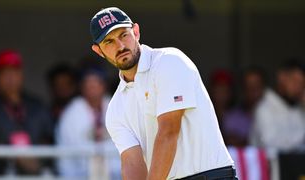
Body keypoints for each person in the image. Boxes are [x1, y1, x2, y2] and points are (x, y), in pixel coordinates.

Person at [89, 7, 236, 180]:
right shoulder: (115, 109)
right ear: (99, 51)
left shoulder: (169, 61)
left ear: (136, 32)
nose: (120, 46)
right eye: (109, 42)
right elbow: (132, 163)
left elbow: (168, 132)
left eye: (123, 35)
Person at [0, 49, 54, 175]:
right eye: (5, 73)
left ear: (21, 75)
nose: (10, 78)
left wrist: (35, 160)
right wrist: (7, 149)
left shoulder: (37, 106)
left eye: (14, 72)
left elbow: (50, 143)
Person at [56, 67, 120, 178]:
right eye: (88, 84)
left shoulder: (117, 106)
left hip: (115, 175)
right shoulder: (71, 113)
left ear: (104, 86)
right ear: (82, 87)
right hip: (80, 174)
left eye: (96, 83)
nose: (92, 88)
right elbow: (67, 150)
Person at [250, 59, 305, 150]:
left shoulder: (299, 107)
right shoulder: (264, 108)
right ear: (282, 77)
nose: (298, 88)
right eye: (295, 82)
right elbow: (270, 144)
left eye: (302, 84)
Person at [222, 67, 266, 147]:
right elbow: (231, 144)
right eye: (249, 86)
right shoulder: (231, 117)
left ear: (264, 88)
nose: (253, 90)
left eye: (257, 86)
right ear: (243, 89)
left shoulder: (276, 115)